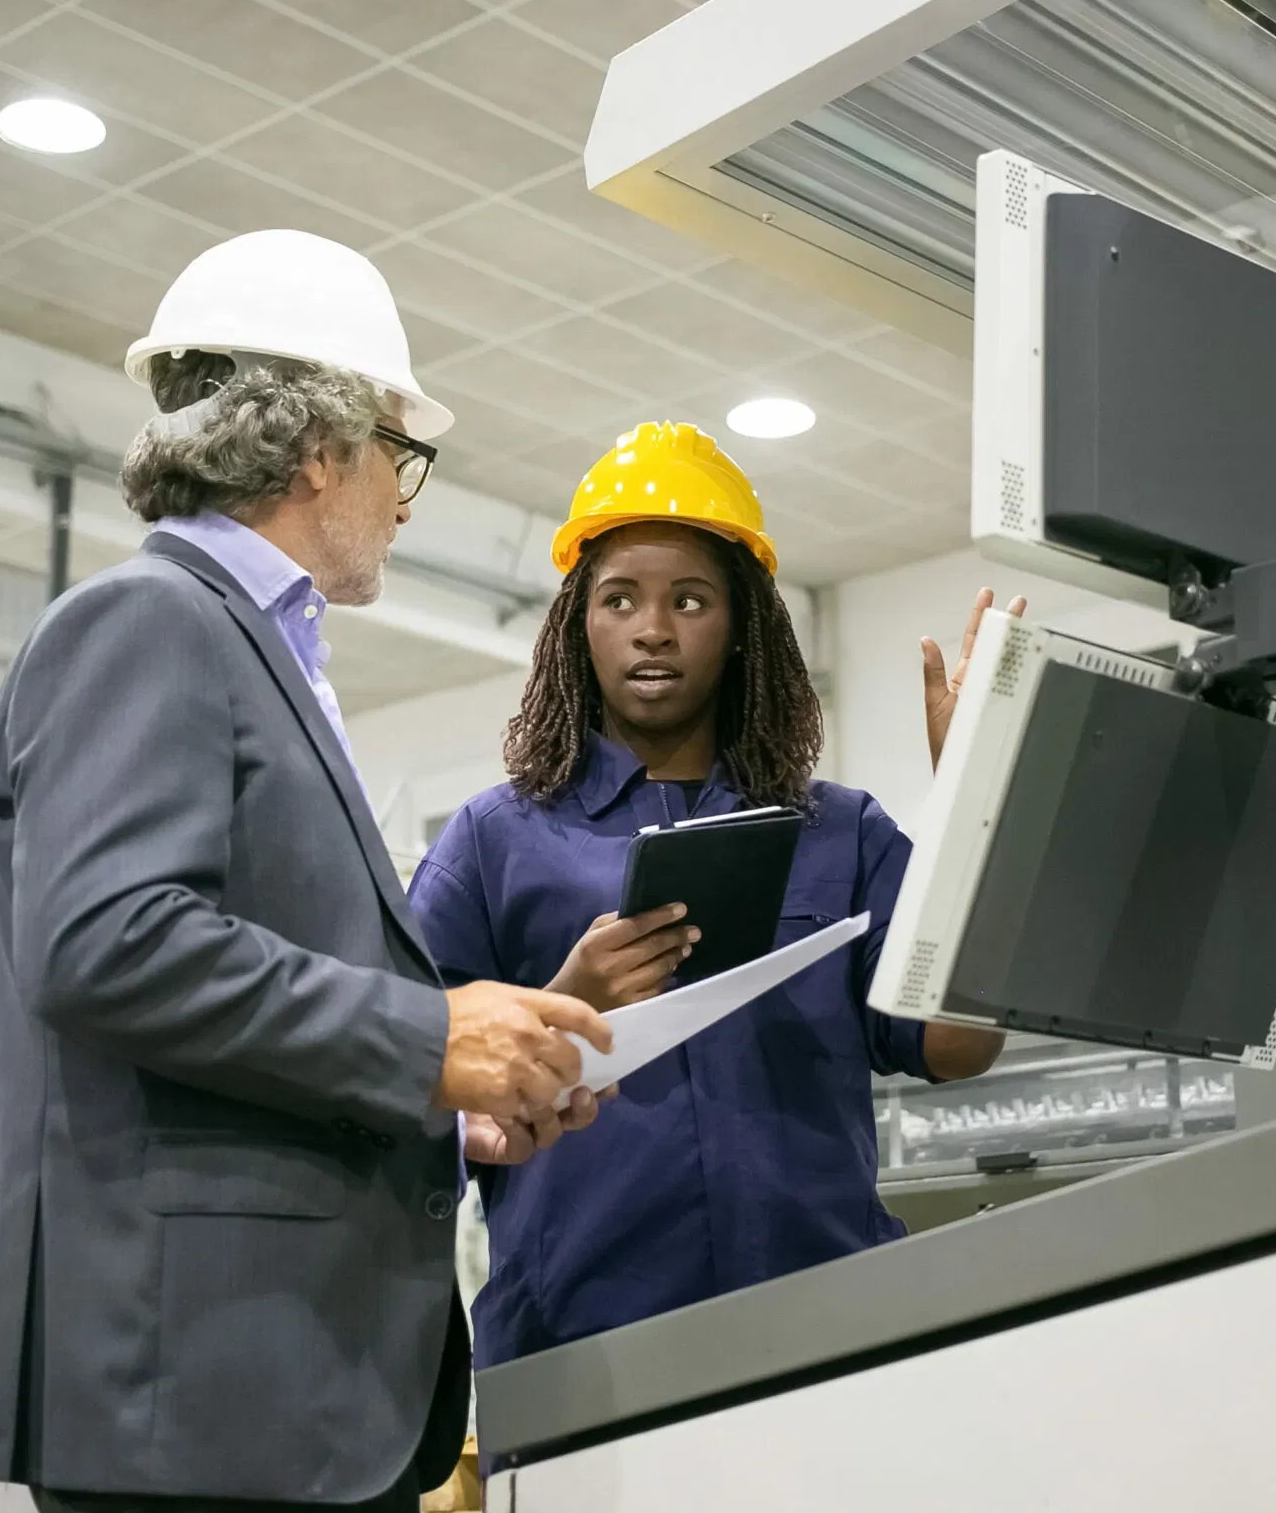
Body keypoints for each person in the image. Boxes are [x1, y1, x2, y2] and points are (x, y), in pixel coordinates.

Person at [0, 231, 613, 1513]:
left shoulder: (256, 654)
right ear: (320, 449)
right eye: (399, 459)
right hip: (202, 1393)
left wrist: (451, 1102)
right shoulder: (151, 621)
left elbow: (240, 1017)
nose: (404, 501)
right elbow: (106, 938)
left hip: (278, 1395)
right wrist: (428, 1033)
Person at [406, 421, 1014, 1378]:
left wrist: (980, 796)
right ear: (580, 627)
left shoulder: (842, 832)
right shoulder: (491, 843)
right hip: (584, 1354)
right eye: (619, 599)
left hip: (833, 1331)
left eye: (690, 599)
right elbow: (404, 1075)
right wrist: (566, 1003)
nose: (654, 626)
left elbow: (959, 1044)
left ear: (740, 631)